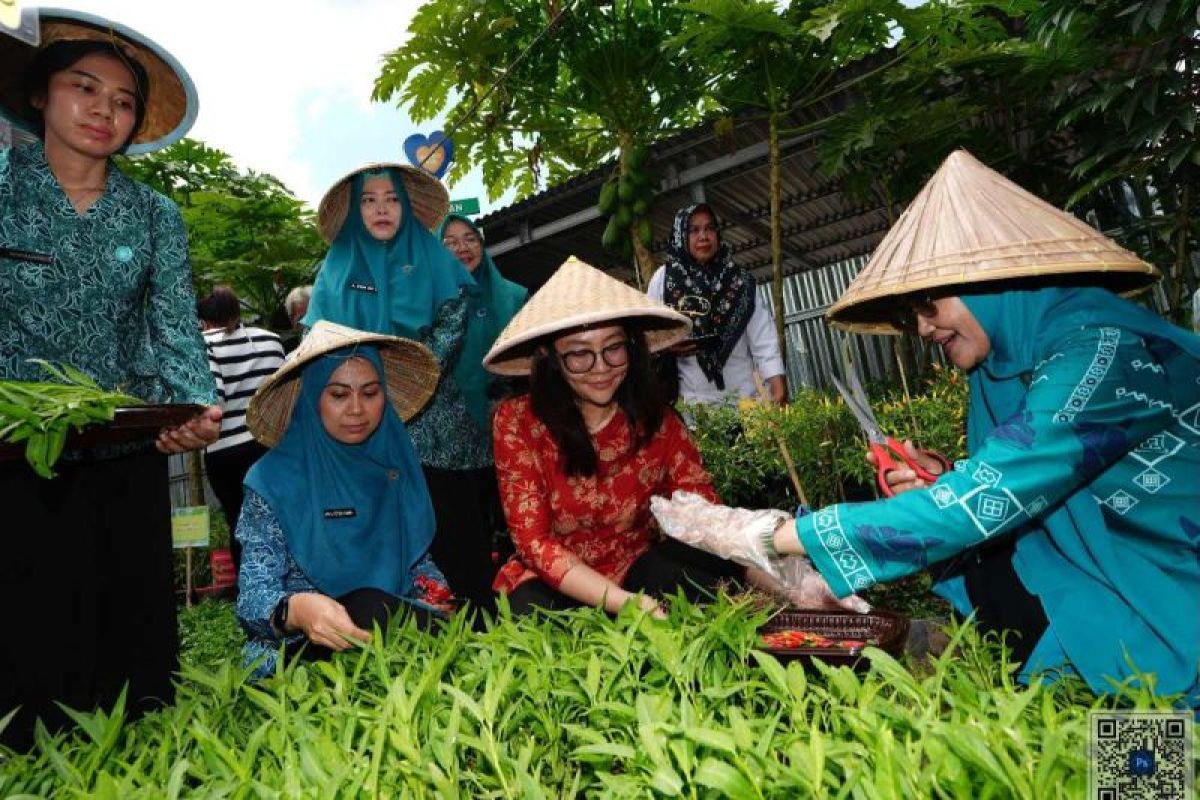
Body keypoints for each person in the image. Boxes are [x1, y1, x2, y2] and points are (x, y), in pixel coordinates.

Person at [660, 150, 1200, 706]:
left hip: (1160, 575)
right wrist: (943, 476)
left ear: (991, 276)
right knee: (988, 576)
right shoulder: (1010, 356)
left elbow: (985, 498)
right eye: (908, 314)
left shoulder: (1098, 355)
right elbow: (1010, 478)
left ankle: (1139, 760)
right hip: (1083, 558)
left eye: (927, 303)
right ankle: (994, 653)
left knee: (1138, 769)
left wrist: (769, 536)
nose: (920, 327)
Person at [0, 11, 219, 749]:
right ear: (39, 95)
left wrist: (195, 407)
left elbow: (175, 325)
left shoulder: (154, 214)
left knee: (131, 611)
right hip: (17, 446)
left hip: (125, 439)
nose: (104, 110)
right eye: (84, 88)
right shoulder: (3, 188)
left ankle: (143, 742)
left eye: (123, 101)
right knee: (33, 604)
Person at [483, 256, 794, 617]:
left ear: (632, 347)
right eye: (580, 354)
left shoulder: (658, 421)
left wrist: (782, 583)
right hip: (556, 578)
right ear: (550, 358)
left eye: (613, 348)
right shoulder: (518, 421)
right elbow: (534, 542)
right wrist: (628, 605)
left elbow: (705, 516)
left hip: (635, 561)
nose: (601, 368)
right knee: (532, 615)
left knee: (710, 592)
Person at [303, 163, 501, 615]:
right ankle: (395, 620)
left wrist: (407, 379)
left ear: (406, 205)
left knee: (455, 523)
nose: (381, 209)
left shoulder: (434, 259)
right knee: (381, 525)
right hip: (363, 422)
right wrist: (368, 391)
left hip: (437, 419)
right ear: (355, 210)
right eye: (369, 200)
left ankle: (476, 615)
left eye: (391, 199)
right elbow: (319, 342)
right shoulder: (336, 268)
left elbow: (451, 326)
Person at [236, 321, 451, 677]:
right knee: (368, 605)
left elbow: (416, 560)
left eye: (370, 393)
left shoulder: (393, 465)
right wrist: (299, 611)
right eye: (338, 394)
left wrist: (438, 594)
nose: (356, 409)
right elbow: (253, 599)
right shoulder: (273, 481)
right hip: (297, 653)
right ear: (312, 397)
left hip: (386, 625)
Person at [437, 212, 528, 561]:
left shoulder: (515, 298)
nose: (463, 248)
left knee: (518, 508)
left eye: (470, 238)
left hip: (515, 423)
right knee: (472, 524)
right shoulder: (432, 306)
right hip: (454, 434)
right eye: (450, 242)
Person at [647, 204, 786, 406]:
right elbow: (650, 334)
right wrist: (667, 345)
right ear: (680, 235)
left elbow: (763, 339)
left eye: (710, 228)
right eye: (694, 230)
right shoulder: (664, 279)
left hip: (745, 403)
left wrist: (776, 381)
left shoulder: (741, 281)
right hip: (692, 407)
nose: (703, 236)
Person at [197, 285, 285, 569]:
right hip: (271, 443)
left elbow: (215, 402)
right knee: (280, 516)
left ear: (205, 321)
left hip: (226, 450)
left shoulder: (204, 344)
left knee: (239, 522)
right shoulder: (271, 340)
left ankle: (251, 594)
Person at [281, 284, 311, 353]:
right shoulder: (286, 349)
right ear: (291, 320)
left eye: (308, 316)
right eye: (301, 318)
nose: (305, 323)